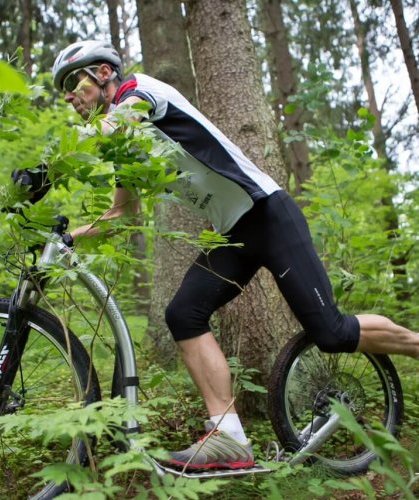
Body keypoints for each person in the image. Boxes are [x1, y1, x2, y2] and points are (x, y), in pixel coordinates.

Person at [52, 40, 419, 470]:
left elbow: (116, 125)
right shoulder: (124, 145)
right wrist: (69, 237)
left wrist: (51, 164)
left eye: (73, 82)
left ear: (103, 73)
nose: (69, 97)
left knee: (332, 333)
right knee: (183, 314)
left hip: (269, 214)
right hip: (232, 235)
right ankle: (229, 438)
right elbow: (122, 213)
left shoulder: (139, 92)